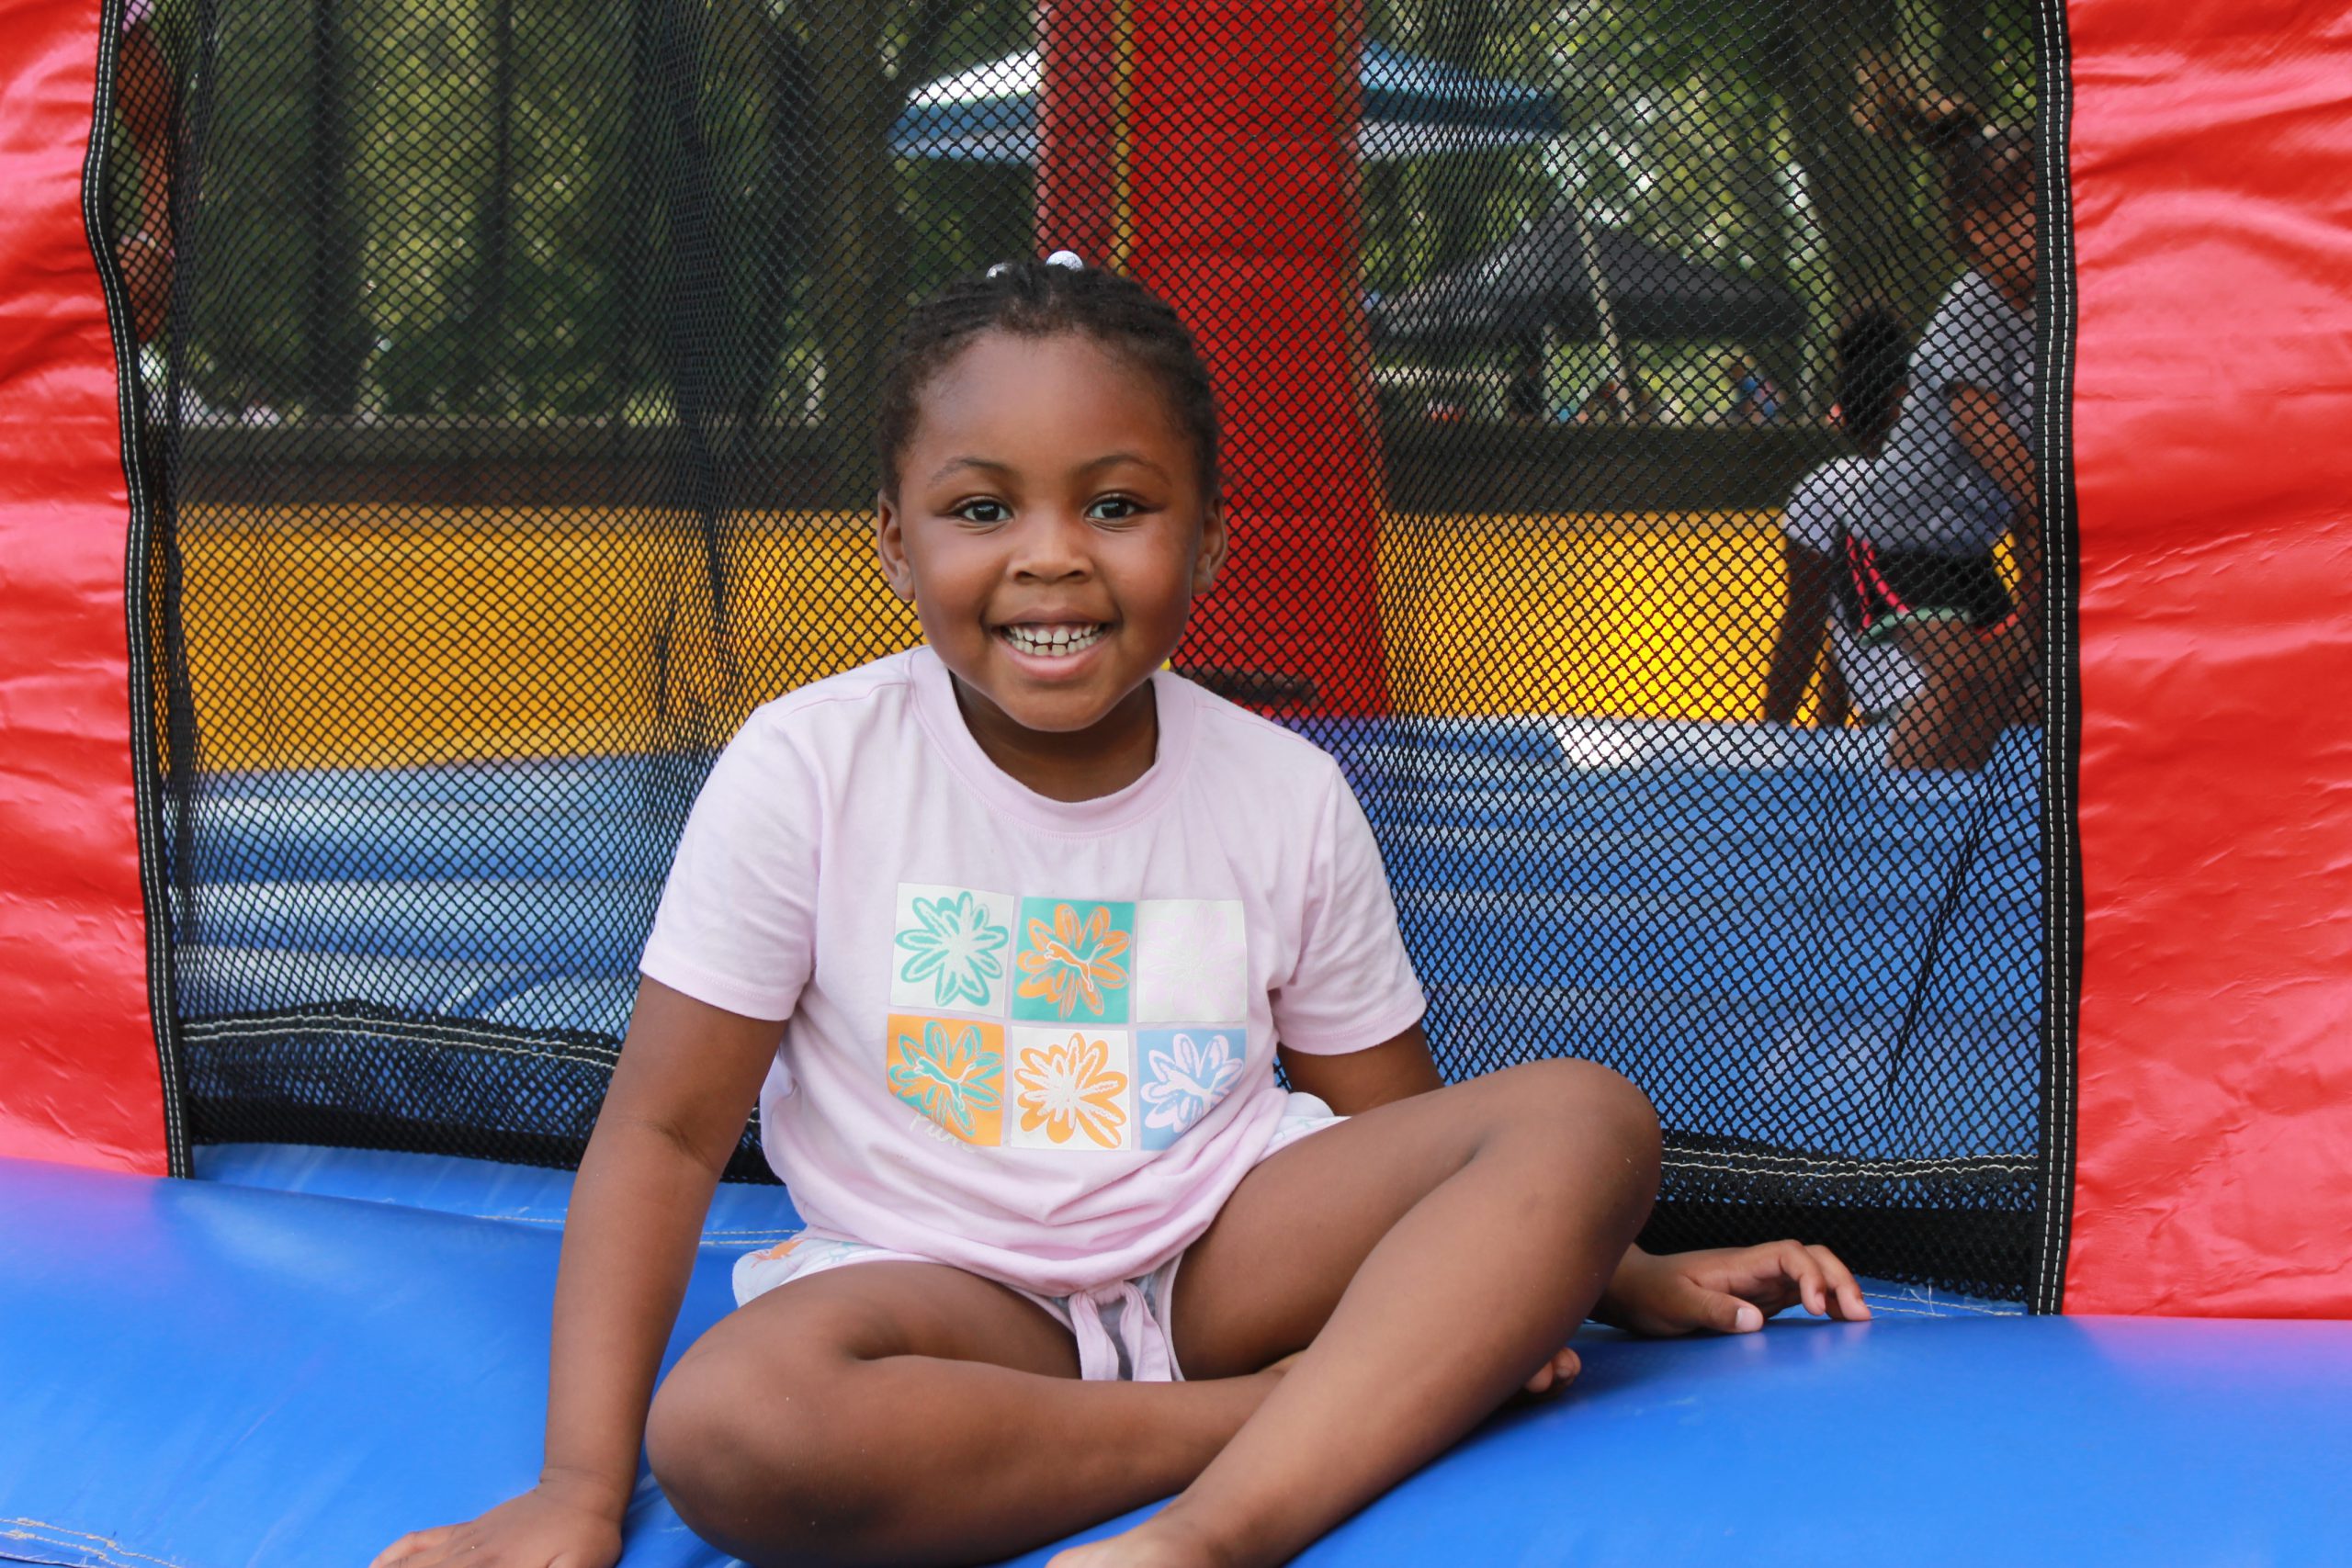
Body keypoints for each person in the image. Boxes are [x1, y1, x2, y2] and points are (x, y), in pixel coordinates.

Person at [372, 254, 1870, 1568]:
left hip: (1227, 1254)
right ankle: (1307, 1413)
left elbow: (1408, 1125)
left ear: (1205, 537)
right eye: (981, 506)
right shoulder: (807, 768)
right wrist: (579, 1481)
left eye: (1116, 504)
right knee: (730, 1429)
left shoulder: (1283, 792)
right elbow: (666, 1131)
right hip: (951, 1296)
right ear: (894, 540)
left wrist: (1626, 1270)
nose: (1052, 555)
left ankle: (1213, 1529)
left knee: (1584, 1118)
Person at [1848, 73, 2043, 771]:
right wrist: (2041, 492)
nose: (2053, 234)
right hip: (1896, 539)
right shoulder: (1976, 301)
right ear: (1978, 230)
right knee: (1958, 669)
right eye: (2034, 219)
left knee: (1996, 673)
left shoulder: (2044, 315)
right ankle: (1905, 806)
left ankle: (1952, 794)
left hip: (1963, 550)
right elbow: (1976, 421)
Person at [1762, 307, 1921, 729]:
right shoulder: (1948, 478)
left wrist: (1768, 740)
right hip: (1985, 699)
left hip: (1904, 719)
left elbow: (1806, 624)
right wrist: (1828, 730)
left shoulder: (1828, 486)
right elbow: (1848, 619)